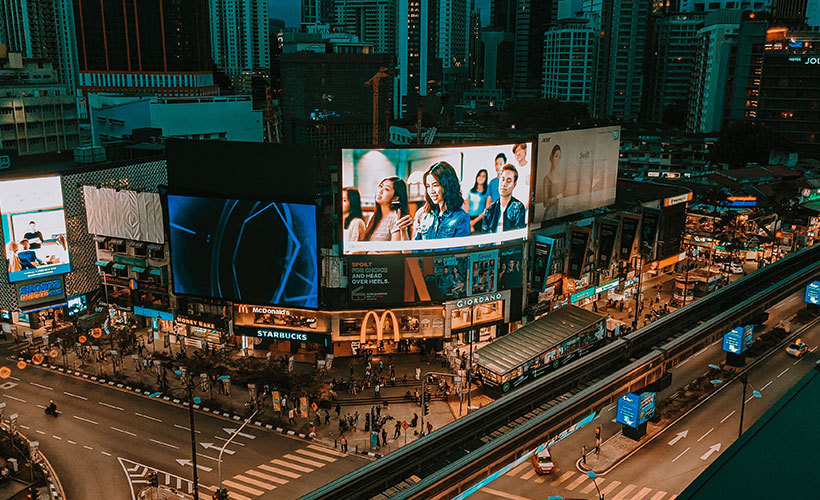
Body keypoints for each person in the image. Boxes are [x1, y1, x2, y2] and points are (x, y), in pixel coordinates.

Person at [413, 162, 471, 240]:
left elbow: (459, 251)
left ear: (447, 186)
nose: (431, 191)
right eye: (428, 186)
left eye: (435, 185)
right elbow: (415, 249)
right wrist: (404, 231)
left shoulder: (461, 218)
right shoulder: (425, 216)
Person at [363, 177, 412, 242]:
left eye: (386, 189)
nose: (380, 191)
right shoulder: (373, 217)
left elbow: (395, 251)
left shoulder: (396, 218)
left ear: (395, 198)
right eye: (380, 186)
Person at [482, 164, 526, 233]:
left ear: (514, 184)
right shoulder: (490, 209)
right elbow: (483, 238)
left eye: (508, 181)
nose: (504, 184)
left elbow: (517, 238)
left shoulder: (518, 207)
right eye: (502, 179)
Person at [541, 144, 564, 220]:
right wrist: (557, 197)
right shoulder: (546, 179)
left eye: (559, 157)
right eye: (556, 156)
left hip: (558, 215)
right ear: (551, 157)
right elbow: (545, 203)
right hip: (549, 217)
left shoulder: (560, 177)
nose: (558, 160)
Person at [463, 169, 491, 233]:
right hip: (469, 219)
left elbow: (486, 210)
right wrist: (468, 221)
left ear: (486, 179)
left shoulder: (487, 193)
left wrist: (474, 221)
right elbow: (466, 210)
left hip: (480, 219)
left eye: (483, 176)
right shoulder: (470, 192)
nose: (481, 178)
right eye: (479, 175)